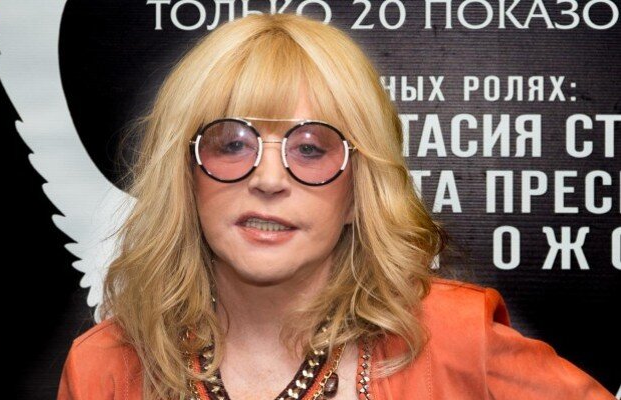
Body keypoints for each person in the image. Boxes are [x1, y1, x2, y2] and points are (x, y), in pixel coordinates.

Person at [56, 12, 615, 400]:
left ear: (357, 192)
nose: (268, 179)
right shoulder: (102, 368)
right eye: (232, 143)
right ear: (186, 177)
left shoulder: (458, 342)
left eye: (309, 148)